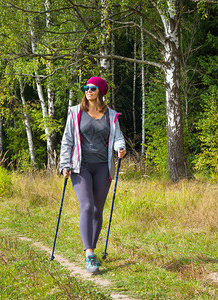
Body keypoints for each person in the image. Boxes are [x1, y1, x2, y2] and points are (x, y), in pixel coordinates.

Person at [59, 76, 126, 274]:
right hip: (80, 166)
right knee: (87, 206)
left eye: (93, 88)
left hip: (103, 167)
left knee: (98, 210)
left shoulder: (110, 115)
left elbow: (118, 138)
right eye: (86, 87)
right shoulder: (75, 112)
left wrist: (120, 148)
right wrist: (64, 165)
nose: (88, 91)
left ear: (100, 92)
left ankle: (93, 251)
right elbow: (67, 140)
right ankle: (89, 254)